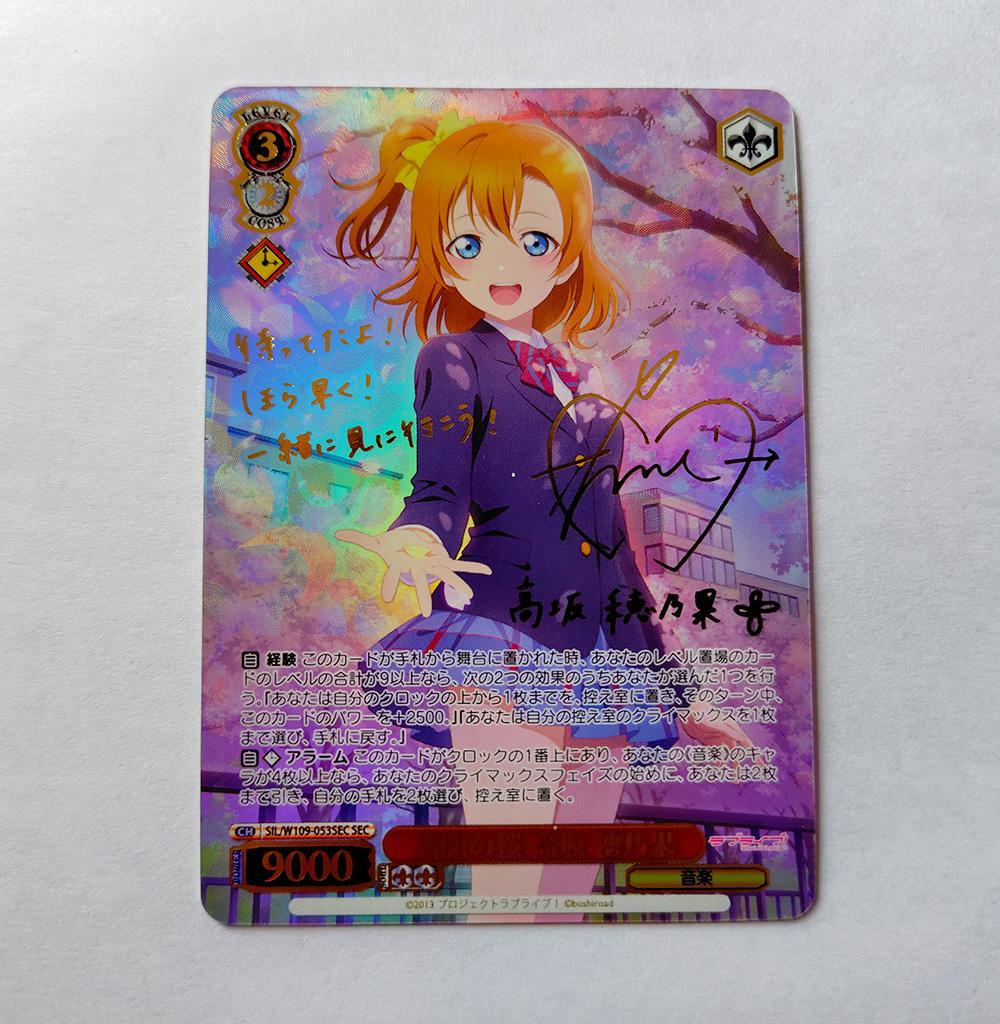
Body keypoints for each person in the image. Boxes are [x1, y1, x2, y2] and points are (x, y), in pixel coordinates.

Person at [333, 111, 749, 908]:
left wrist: (679, 689)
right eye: (469, 242)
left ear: (566, 251)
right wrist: (415, 538)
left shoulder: (591, 383)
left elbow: (618, 553)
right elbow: (440, 488)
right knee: (509, 885)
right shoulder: (455, 358)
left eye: (532, 240)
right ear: (439, 252)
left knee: (565, 894)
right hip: (504, 636)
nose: (503, 266)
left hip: (606, 652)